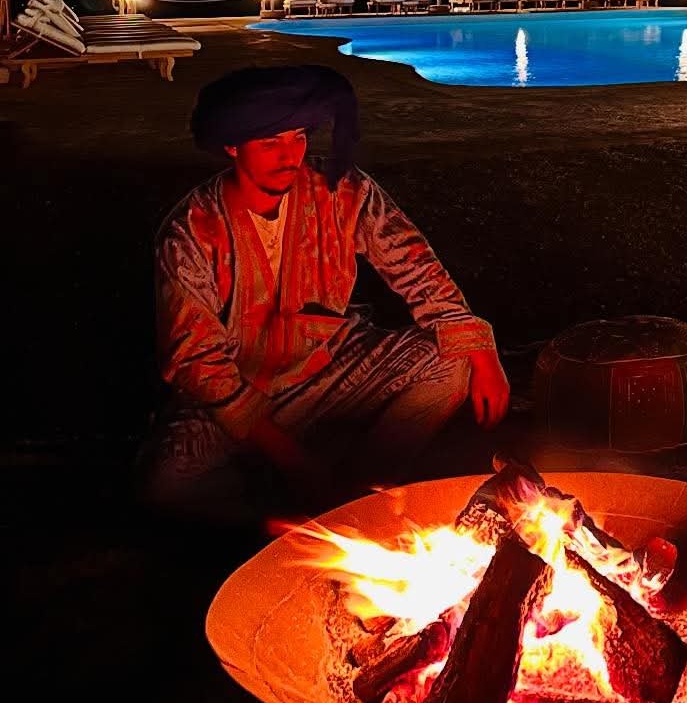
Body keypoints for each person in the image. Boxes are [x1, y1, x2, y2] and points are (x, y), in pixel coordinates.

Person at [139, 65, 509, 519]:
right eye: (270, 142)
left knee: (452, 360)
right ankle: (293, 500)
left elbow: (415, 267)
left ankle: (357, 493)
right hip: (236, 395)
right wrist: (293, 460)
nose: (289, 156)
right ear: (232, 146)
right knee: (167, 485)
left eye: (297, 137)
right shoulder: (193, 230)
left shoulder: (341, 189)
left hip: (331, 365)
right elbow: (197, 360)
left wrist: (482, 351)